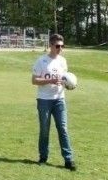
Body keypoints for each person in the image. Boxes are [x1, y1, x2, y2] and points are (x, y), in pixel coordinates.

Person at [31, 34, 76, 171]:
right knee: (44, 130)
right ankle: (43, 157)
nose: (60, 48)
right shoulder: (41, 61)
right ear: (50, 45)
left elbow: (65, 78)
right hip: (44, 100)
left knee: (63, 129)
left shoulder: (63, 61)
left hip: (59, 100)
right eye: (57, 46)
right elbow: (34, 81)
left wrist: (69, 84)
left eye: (62, 46)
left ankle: (68, 160)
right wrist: (49, 81)